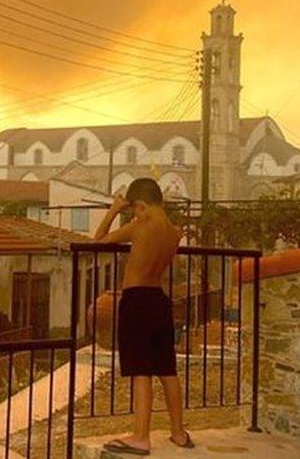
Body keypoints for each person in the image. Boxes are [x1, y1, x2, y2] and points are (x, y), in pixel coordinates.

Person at [93, 178, 193, 455]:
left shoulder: (140, 226)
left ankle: (140, 436)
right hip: (159, 301)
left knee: (141, 372)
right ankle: (179, 432)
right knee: (167, 370)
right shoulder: (173, 233)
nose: (134, 213)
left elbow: (97, 241)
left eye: (134, 208)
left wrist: (114, 211)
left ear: (142, 205)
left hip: (136, 300)